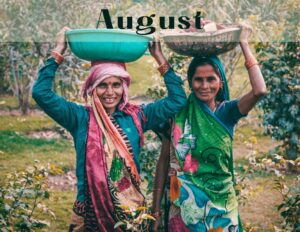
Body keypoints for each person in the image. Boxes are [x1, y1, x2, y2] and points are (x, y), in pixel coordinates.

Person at [32, 27, 187, 231]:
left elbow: (177, 99)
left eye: (116, 84)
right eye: (102, 85)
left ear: (124, 87)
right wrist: (59, 50)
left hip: (129, 213)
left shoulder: (138, 116)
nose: (110, 92)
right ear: (92, 88)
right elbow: (41, 93)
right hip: (88, 215)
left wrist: (159, 57)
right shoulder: (79, 118)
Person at [151, 23, 267, 232]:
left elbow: (259, 90)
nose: (204, 86)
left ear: (220, 82)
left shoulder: (227, 112)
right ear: (191, 82)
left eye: (210, 79)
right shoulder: (178, 113)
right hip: (182, 207)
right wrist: (155, 209)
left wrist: (243, 43)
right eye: (198, 80)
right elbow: (163, 161)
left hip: (221, 207)